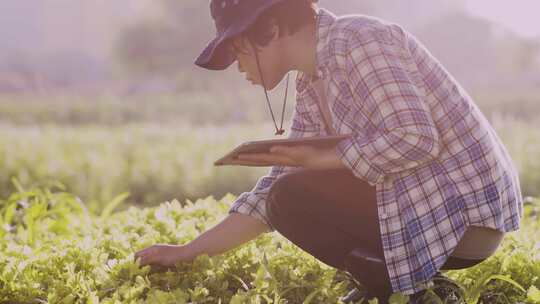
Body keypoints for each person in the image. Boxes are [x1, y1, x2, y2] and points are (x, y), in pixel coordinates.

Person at [134, 1, 524, 303]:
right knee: (286, 195)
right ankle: (401, 285)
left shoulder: (360, 41)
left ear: (270, 28)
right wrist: (188, 251)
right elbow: (276, 191)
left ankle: (413, 289)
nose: (239, 67)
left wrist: (324, 160)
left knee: (293, 195)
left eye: (239, 51)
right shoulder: (313, 81)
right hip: (422, 208)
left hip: (462, 219)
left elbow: (415, 138)